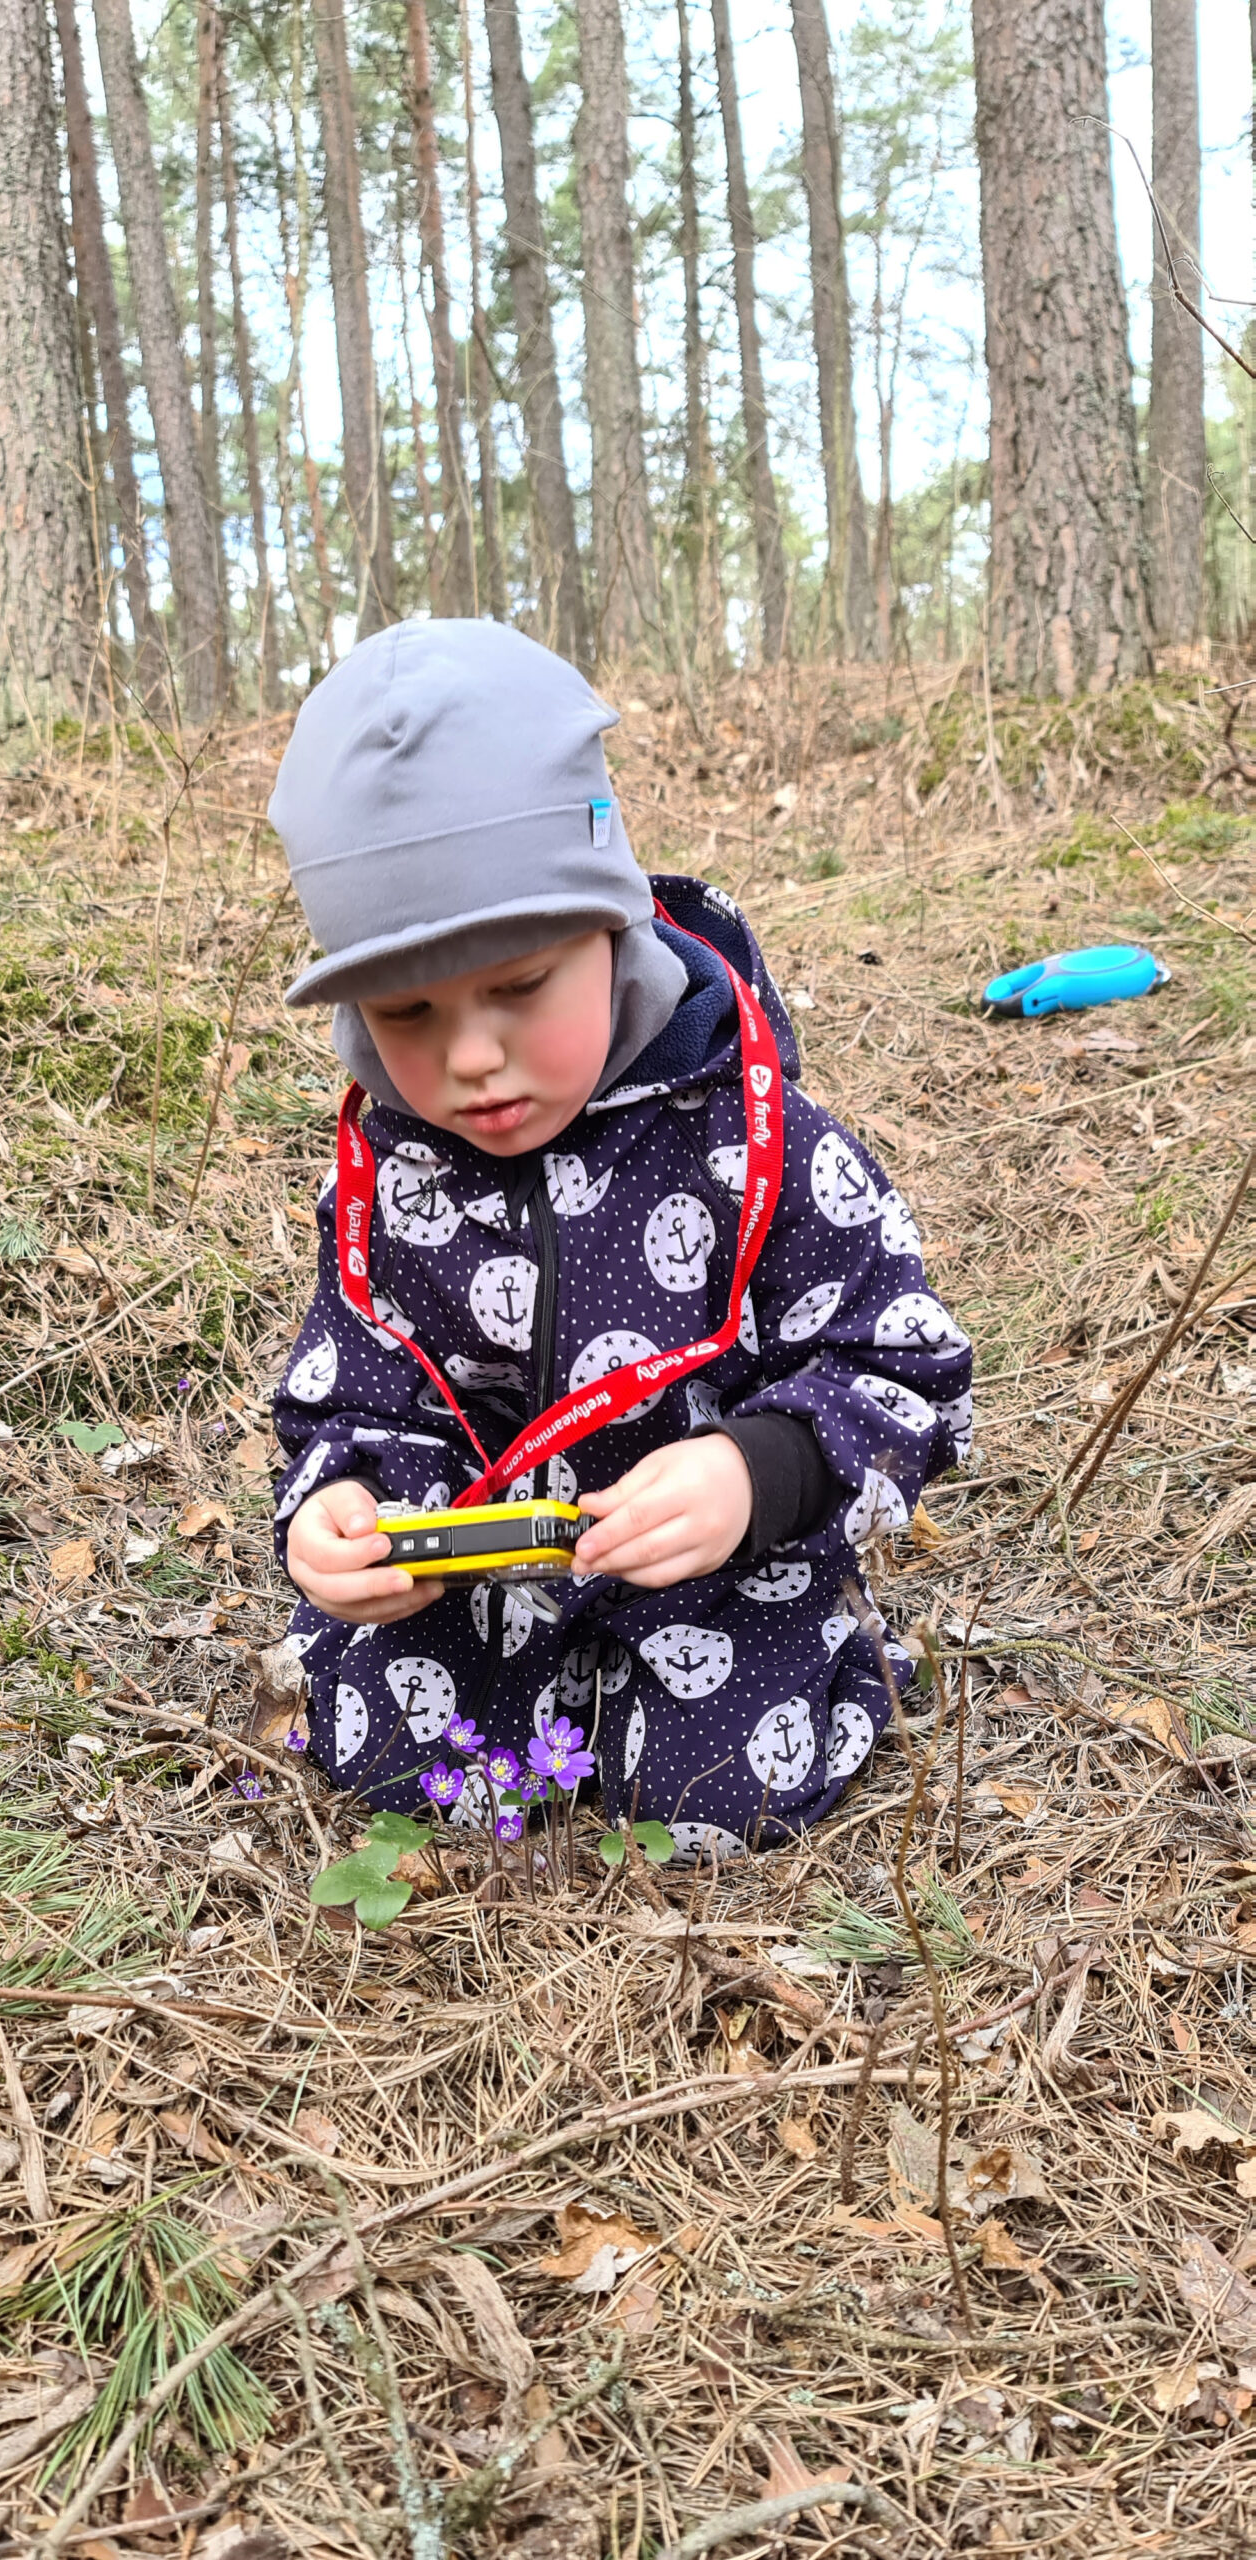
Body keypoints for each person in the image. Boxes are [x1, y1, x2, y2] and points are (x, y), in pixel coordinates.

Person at [264, 620, 972, 1859]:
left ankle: (809, 1663)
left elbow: (905, 1367)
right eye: (407, 1011)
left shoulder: (756, 1142)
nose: (470, 1056)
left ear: (615, 928)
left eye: (519, 986)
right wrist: (343, 1506)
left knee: (719, 1796)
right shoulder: (391, 1180)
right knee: (399, 1766)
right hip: (481, 1580)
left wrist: (758, 1474)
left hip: (715, 1564)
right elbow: (353, 1391)